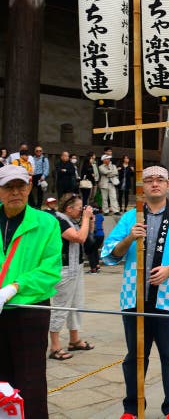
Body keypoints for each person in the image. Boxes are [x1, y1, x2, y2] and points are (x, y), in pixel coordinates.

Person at [102, 165, 169, 419]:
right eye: (149, 180)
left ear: (168, 184)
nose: (154, 184)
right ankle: (132, 407)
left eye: (160, 180)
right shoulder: (130, 218)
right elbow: (109, 253)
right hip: (133, 297)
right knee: (134, 357)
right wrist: (129, 239)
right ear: (142, 186)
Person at [0, 165, 62, 419]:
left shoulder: (47, 223)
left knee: (30, 377)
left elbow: (50, 270)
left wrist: (13, 288)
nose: (15, 192)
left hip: (30, 310)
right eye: (8, 187)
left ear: (29, 188)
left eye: (20, 186)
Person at [48, 193, 94, 360]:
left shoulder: (72, 220)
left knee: (76, 304)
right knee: (61, 306)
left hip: (77, 267)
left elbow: (88, 240)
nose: (82, 210)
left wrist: (88, 221)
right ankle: (54, 346)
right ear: (68, 209)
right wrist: (87, 219)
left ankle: (74, 340)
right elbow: (78, 238)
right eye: (79, 208)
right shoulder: (58, 221)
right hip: (65, 269)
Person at [88, 206, 104, 274]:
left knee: (90, 251)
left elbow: (90, 226)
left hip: (94, 235)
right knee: (95, 250)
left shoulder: (90, 216)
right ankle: (97, 266)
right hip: (101, 235)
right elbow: (102, 226)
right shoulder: (101, 216)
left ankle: (93, 269)